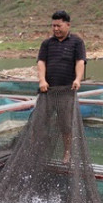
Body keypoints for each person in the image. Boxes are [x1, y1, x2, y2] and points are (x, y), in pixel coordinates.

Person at [37, 10, 86, 163]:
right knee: (41, 123)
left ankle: (67, 153)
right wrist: (42, 80)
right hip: (48, 91)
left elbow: (80, 62)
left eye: (59, 25)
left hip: (66, 91)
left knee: (66, 125)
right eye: (53, 26)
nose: (56, 29)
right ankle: (40, 150)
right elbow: (41, 62)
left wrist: (78, 79)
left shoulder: (77, 42)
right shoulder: (47, 43)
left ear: (67, 24)